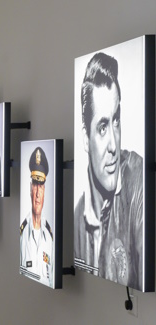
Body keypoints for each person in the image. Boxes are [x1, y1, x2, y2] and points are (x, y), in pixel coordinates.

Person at [74, 52, 143, 289]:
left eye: (116, 120)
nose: (114, 144)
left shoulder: (138, 182)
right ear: (86, 138)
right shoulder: (77, 216)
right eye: (103, 127)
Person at [19, 147, 54, 287]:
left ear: (44, 190)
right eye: (35, 184)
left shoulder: (50, 237)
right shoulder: (21, 235)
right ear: (30, 188)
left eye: (41, 186)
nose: (38, 193)